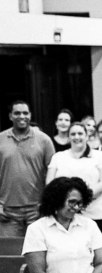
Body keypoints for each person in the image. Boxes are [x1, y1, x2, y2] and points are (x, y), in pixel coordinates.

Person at [0, 100, 56, 238]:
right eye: (17, 113)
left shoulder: (44, 140)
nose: (22, 116)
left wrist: (47, 203)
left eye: (25, 113)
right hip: (7, 212)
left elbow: (54, 174)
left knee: (39, 250)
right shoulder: (1, 139)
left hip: (37, 210)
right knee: (10, 251)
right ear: (10, 116)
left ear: (30, 115)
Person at [47, 122, 102, 235]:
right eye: (73, 134)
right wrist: (69, 201)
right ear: (68, 137)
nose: (76, 137)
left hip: (95, 213)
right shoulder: (58, 157)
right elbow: (50, 183)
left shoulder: (99, 156)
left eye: (80, 133)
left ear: (87, 136)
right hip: (65, 214)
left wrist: (81, 199)